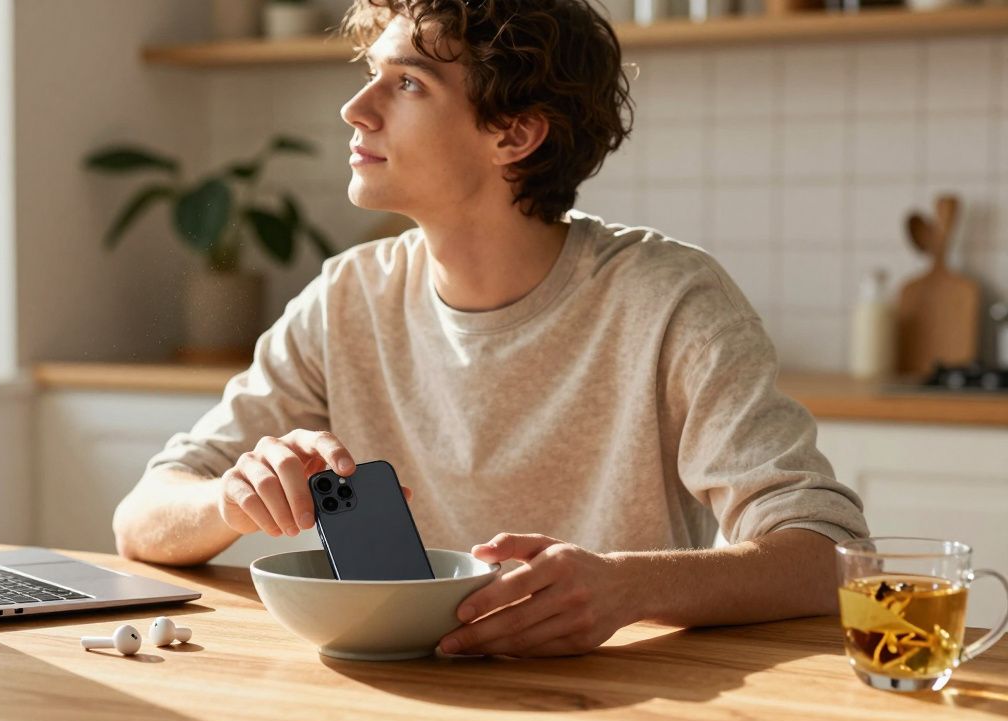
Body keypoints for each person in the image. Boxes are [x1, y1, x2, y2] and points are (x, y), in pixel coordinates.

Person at [113, 0, 868, 658]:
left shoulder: (671, 300)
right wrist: (230, 502)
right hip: (382, 699)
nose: (357, 108)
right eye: (370, 73)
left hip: (616, 703)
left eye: (407, 82)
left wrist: (625, 587)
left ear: (515, 134)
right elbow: (142, 519)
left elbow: (831, 555)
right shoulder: (347, 296)